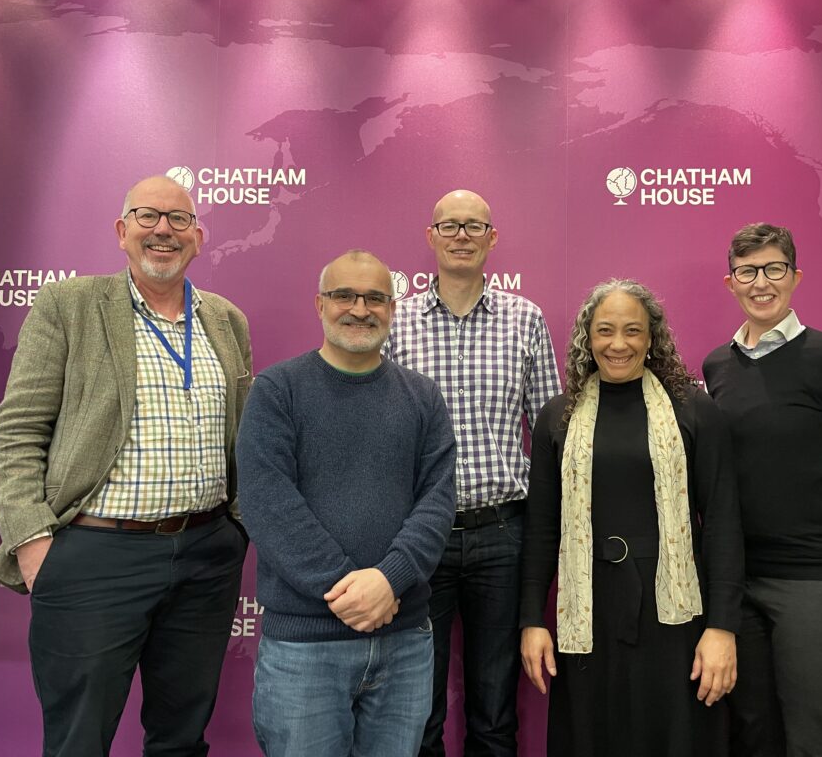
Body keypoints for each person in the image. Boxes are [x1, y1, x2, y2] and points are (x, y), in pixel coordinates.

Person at [0, 175, 252, 756]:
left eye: (179, 220)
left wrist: (238, 531)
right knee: (79, 739)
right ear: (121, 231)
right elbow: (15, 434)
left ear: (199, 238)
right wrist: (33, 543)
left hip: (206, 555)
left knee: (181, 738)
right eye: (148, 216)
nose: (163, 229)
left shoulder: (227, 321)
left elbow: (244, 438)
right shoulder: (70, 305)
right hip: (94, 555)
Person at [238, 249, 457, 757]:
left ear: (392, 308)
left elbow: (437, 501)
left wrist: (388, 581)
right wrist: (350, 592)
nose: (360, 308)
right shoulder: (277, 390)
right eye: (344, 295)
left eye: (376, 298)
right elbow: (268, 504)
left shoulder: (423, 397)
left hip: (405, 641)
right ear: (319, 304)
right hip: (304, 647)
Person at [519, 279, 744, 757]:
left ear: (651, 338)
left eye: (632, 331)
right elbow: (541, 530)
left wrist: (723, 628)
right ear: (587, 338)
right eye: (605, 331)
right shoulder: (557, 417)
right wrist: (531, 621)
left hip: (677, 612)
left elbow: (722, 522)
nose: (618, 344)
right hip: (588, 609)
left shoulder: (695, 410)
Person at [383, 189, 562, 756]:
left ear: (492, 238)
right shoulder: (396, 320)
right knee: (417, 708)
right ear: (431, 236)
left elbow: (551, 431)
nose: (462, 235)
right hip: (417, 536)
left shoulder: (525, 319)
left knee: (494, 707)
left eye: (474, 226)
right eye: (450, 225)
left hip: (504, 535)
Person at [702, 223, 822, 757]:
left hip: (818, 580)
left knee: (815, 744)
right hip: (738, 583)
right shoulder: (717, 366)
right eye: (747, 272)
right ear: (731, 282)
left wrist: (803, 502)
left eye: (773, 269)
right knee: (753, 738)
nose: (761, 282)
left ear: (795, 276)